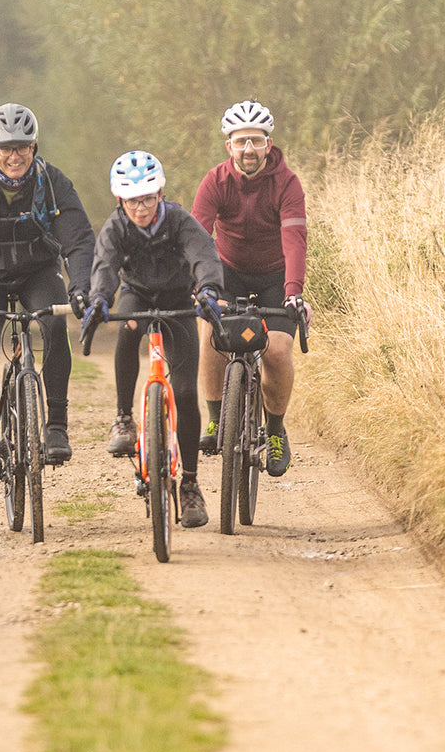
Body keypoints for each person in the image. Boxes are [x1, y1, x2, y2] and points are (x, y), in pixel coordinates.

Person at [0, 102, 95, 487]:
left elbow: (78, 240)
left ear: (34, 147)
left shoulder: (53, 182)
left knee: (55, 327)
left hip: (36, 272)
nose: (14, 156)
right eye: (5, 148)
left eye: (22, 146)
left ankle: (56, 424)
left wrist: (81, 287)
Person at [83, 151, 224, 529]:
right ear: (120, 201)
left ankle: (190, 484)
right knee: (127, 331)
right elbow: (105, 265)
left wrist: (208, 289)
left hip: (179, 300)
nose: (140, 208)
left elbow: (204, 255)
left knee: (184, 392)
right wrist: (99, 298)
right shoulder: (116, 227)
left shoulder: (179, 220)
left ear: (160, 194)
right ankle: (124, 419)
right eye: (132, 200)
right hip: (138, 294)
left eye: (147, 198)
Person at [191, 99, 308, 476]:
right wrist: (201, 286)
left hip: (276, 276)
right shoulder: (215, 182)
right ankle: (214, 417)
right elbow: (197, 238)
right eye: (241, 141)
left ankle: (275, 430)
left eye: (256, 141)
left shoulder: (287, 184)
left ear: (268, 144)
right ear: (229, 146)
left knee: (276, 349)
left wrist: (293, 291)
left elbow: (295, 239)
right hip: (228, 271)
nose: (249, 149)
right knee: (210, 329)